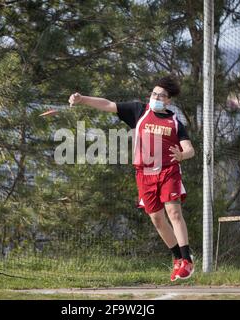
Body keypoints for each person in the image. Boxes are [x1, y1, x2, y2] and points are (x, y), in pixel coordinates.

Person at [68, 76, 195, 281]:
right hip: (144, 174)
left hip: (168, 171)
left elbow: (190, 149)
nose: (155, 97)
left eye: (160, 95)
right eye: (153, 94)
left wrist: (182, 155)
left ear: (168, 101)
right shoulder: (139, 111)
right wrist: (82, 99)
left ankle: (187, 260)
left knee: (174, 212)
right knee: (156, 219)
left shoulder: (175, 123)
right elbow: (108, 104)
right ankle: (177, 258)